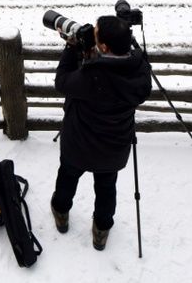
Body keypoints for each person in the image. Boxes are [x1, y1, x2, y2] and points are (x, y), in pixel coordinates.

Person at [50, 16, 152, 250]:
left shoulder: (91, 76)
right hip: (114, 149)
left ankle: (61, 213)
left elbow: (62, 82)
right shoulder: (140, 74)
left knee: (67, 178)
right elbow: (133, 63)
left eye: (96, 34)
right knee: (106, 188)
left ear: (104, 47)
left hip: (78, 145)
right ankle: (101, 231)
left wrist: (71, 46)